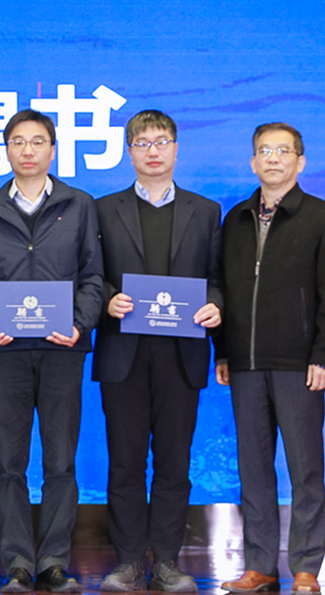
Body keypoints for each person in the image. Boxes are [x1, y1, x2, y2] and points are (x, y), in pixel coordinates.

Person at [0, 109, 103, 594]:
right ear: (7, 150)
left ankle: (54, 562)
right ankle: (18, 563)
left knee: (61, 462)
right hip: (6, 351)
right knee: (10, 464)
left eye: (38, 141)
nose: (28, 150)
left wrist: (79, 323)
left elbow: (93, 277)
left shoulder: (79, 204)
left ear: (52, 150)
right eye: (18, 142)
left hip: (63, 348)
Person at [216, 122, 325, 595]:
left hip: (301, 366)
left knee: (305, 469)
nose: (272, 158)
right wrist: (224, 350)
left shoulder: (324, 218)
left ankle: (307, 567)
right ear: (253, 162)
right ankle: (260, 565)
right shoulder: (235, 219)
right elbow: (223, 289)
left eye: (283, 150)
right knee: (254, 470)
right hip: (245, 364)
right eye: (264, 151)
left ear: (300, 161)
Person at [94, 110, 221, 593]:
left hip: (181, 353)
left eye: (161, 141)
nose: (153, 151)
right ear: (129, 151)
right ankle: (128, 561)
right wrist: (107, 299)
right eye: (142, 142)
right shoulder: (102, 209)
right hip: (122, 352)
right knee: (125, 462)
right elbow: (89, 274)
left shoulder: (205, 211)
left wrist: (215, 305)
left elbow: (217, 278)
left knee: (173, 463)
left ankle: (167, 561)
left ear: (176, 148)